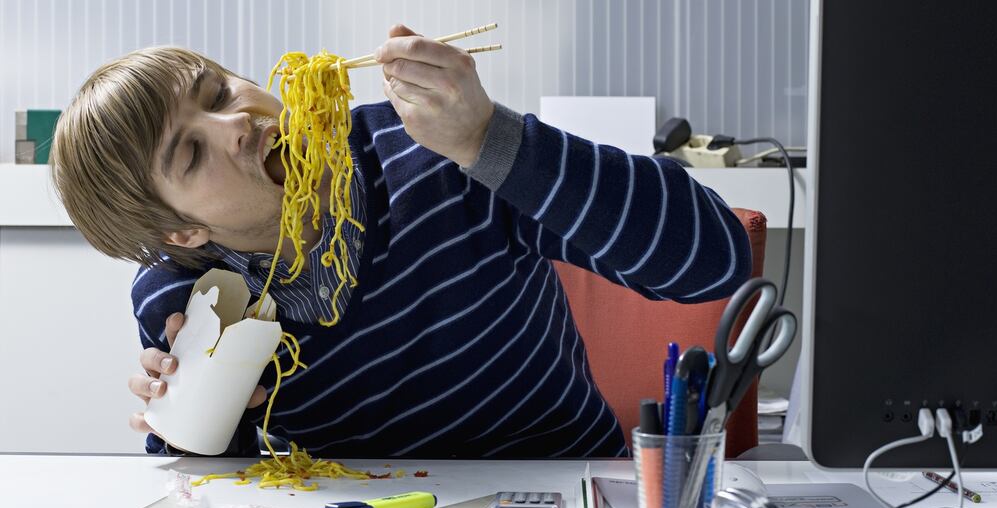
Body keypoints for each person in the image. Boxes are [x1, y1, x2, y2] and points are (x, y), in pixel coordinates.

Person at [51, 25, 751, 458]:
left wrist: (490, 141)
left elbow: (717, 261)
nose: (235, 121)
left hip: (560, 497)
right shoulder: (182, 293)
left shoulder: (436, 149)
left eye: (218, 91)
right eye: (191, 153)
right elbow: (211, 490)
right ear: (181, 231)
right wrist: (183, 417)